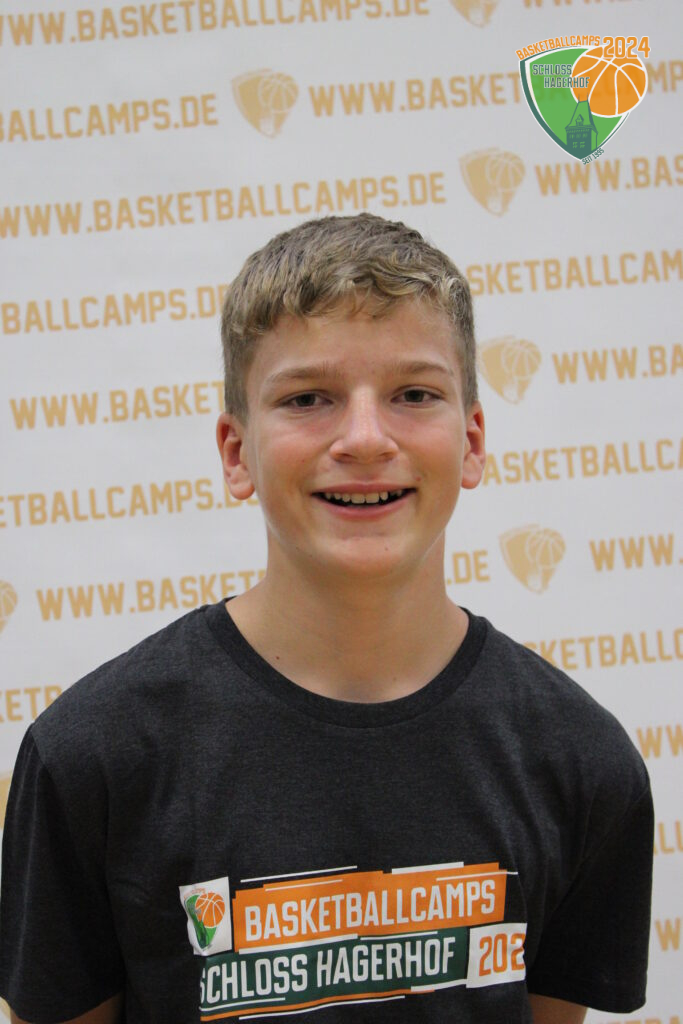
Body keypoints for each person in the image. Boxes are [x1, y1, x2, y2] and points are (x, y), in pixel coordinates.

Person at [0, 214, 653, 1024]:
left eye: (413, 395)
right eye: (308, 398)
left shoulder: (580, 762)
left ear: (472, 441)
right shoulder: (92, 758)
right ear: (235, 453)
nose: (365, 439)